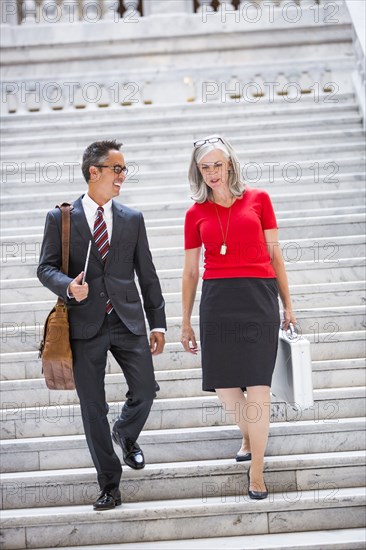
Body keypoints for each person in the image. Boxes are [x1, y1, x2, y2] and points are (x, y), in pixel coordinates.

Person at [37, 140, 166, 511]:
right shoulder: (60, 218)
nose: (123, 176)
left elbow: (148, 274)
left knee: (145, 390)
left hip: (128, 320)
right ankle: (109, 484)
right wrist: (68, 287)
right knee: (92, 408)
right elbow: (45, 267)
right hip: (84, 325)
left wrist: (158, 322)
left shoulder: (132, 218)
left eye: (125, 170)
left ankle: (125, 434)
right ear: (94, 172)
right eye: (117, 169)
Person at [181, 135, 296, 500]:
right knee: (225, 387)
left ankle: (257, 469)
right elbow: (189, 272)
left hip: (259, 296)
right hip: (217, 300)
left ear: (229, 163)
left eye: (217, 164)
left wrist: (288, 304)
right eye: (205, 167)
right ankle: (248, 435)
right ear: (197, 171)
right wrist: (184, 320)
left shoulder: (259, 199)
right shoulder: (195, 213)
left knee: (258, 387)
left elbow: (276, 256)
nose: (212, 173)